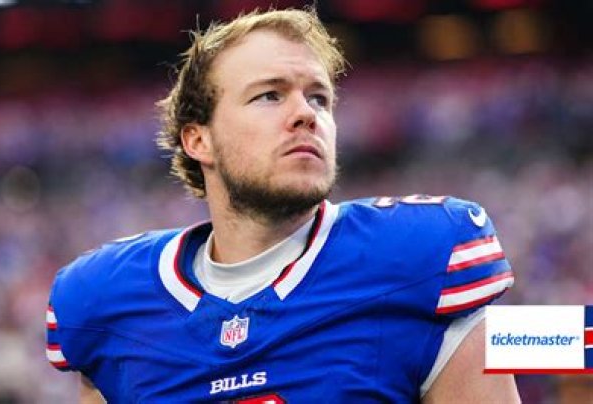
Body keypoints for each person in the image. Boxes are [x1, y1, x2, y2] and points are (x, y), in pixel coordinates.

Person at [46, 7, 520, 403]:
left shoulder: (420, 253)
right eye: (269, 95)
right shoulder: (105, 298)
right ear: (198, 140)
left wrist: (558, 345)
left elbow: (549, 344)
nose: (305, 114)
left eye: (319, 98)